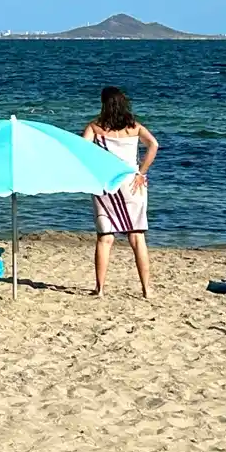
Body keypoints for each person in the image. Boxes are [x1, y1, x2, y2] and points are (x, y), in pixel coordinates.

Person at [83, 85, 158, 298]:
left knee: (105, 238)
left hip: (105, 183)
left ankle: (100, 289)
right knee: (137, 237)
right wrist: (141, 172)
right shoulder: (133, 127)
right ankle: (146, 289)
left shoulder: (95, 127)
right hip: (132, 183)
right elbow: (153, 144)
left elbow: (82, 151)